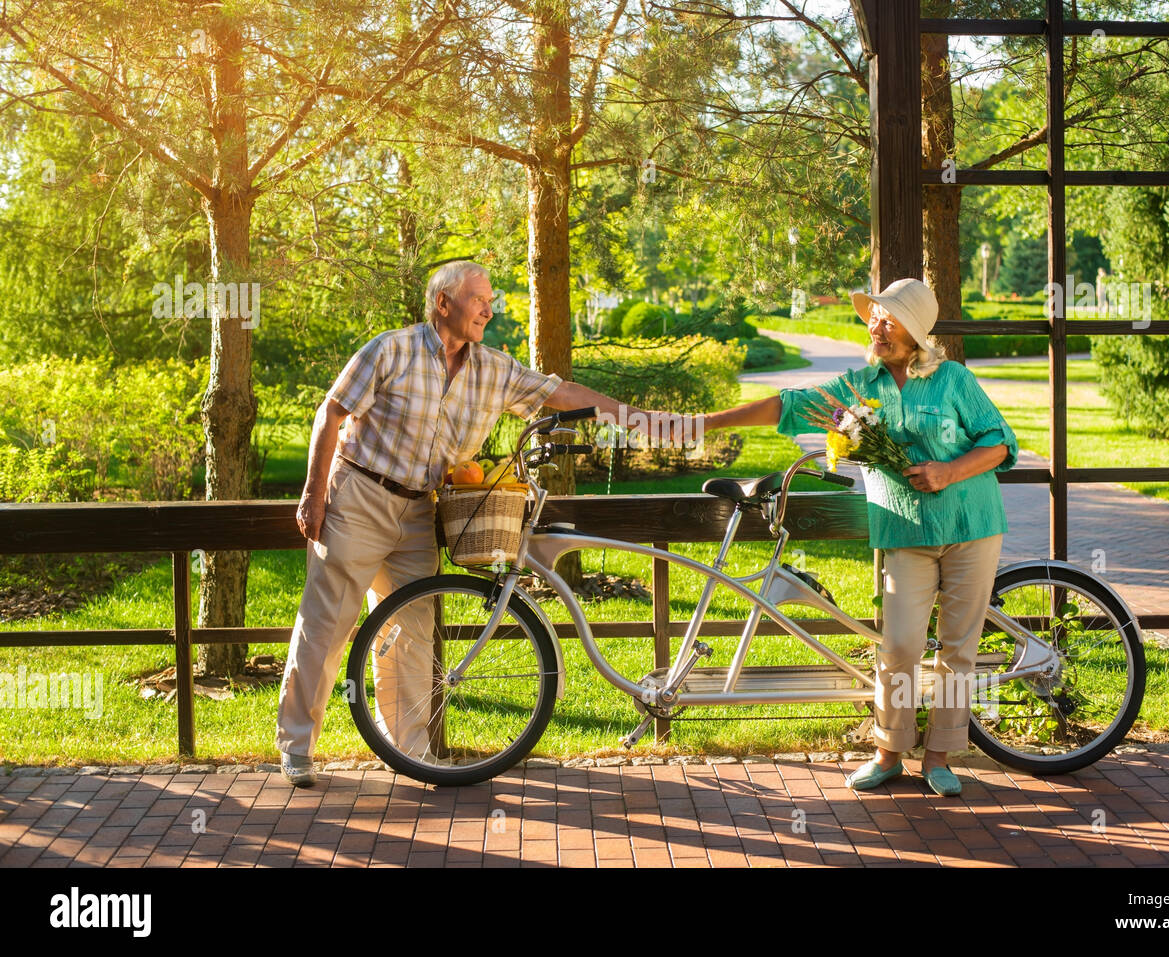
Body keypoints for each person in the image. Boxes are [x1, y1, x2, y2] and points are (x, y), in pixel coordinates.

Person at [276, 260, 648, 786]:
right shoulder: (391, 349)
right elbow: (331, 414)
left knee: (412, 631)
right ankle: (296, 747)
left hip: (421, 509)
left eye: (489, 299)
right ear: (442, 303)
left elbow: (558, 393)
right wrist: (314, 492)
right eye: (477, 298)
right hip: (358, 494)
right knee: (327, 625)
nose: (488, 309)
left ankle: (409, 753)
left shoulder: (492, 369)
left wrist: (632, 416)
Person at [686, 277, 1018, 797]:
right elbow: (788, 404)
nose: (875, 325)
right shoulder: (860, 387)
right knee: (901, 644)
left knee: (957, 648)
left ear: (915, 333)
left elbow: (999, 444)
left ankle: (939, 757)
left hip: (971, 527)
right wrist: (704, 423)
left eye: (888, 319)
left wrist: (948, 472)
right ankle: (889, 752)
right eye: (873, 317)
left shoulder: (953, 379)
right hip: (904, 532)